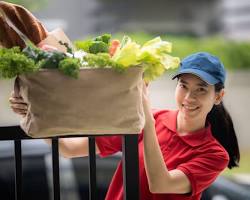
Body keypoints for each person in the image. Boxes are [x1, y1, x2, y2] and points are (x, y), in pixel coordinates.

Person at [9, 52, 240, 200]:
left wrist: (145, 116)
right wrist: (32, 114)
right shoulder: (150, 119)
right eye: (184, 85)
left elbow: (162, 184)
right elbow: (69, 149)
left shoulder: (214, 154)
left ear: (218, 96)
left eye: (201, 89)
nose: (189, 97)